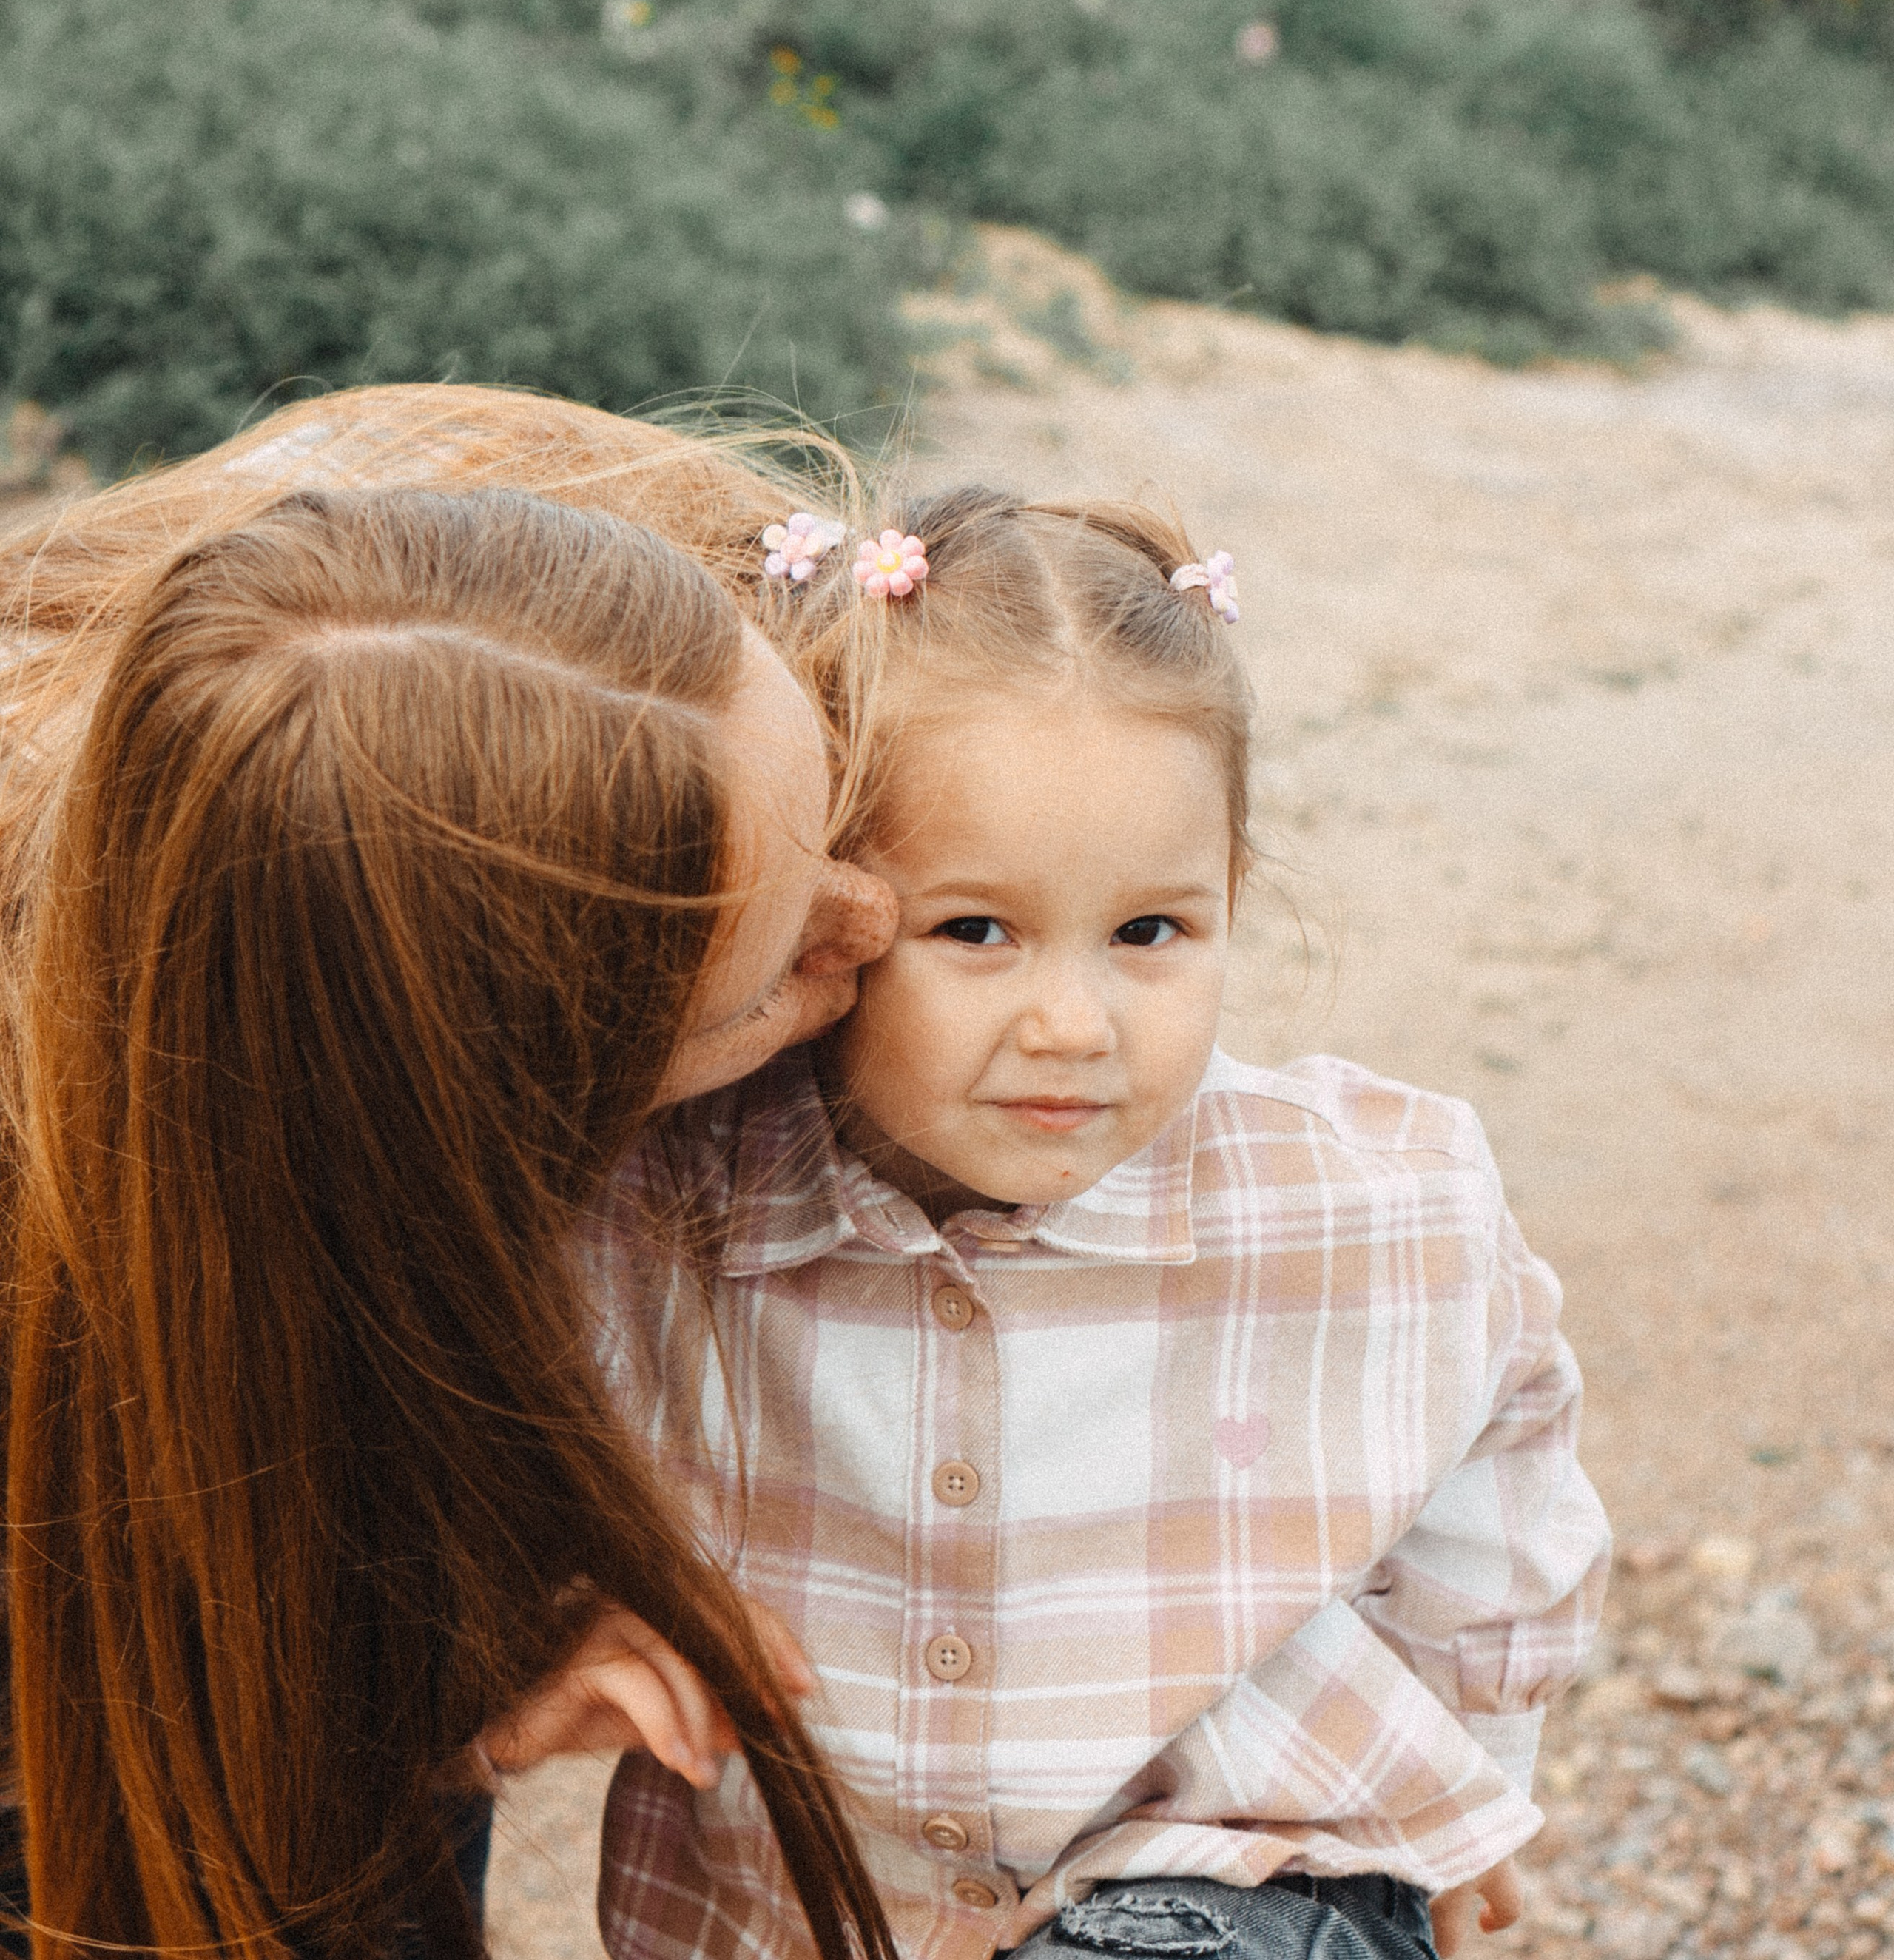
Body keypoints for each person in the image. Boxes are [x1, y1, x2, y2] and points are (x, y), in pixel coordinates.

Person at [586, 487, 1612, 1960]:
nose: (1071, 1026)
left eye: (1148, 933)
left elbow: (1502, 1500)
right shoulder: (670, 1208)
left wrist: (1468, 1796)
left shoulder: (1370, 1202)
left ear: (1229, 900)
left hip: (1242, 1868)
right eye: (974, 931)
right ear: (831, 921)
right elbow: (505, 1459)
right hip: (800, 1908)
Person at [0, 388, 901, 1960]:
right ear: (454, 1122)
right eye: (763, 982)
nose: (871, 928)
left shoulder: (491, 567)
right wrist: (387, 1731)